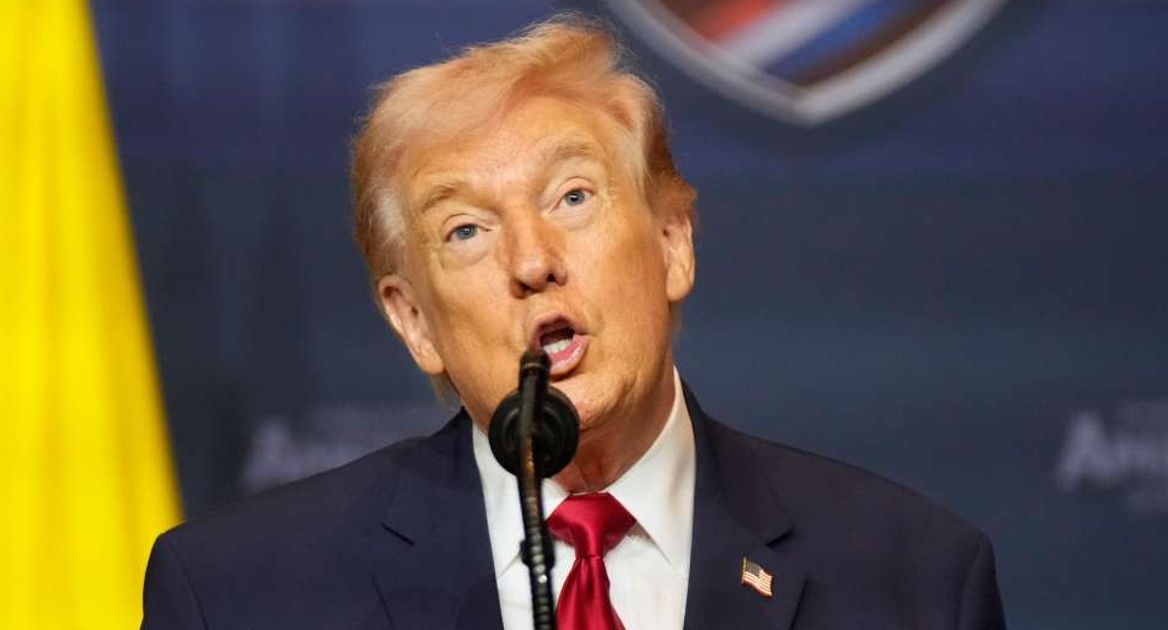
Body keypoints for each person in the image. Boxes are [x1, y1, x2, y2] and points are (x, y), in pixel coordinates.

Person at [141, 16, 1006, 630]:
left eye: (573, 196)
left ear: (672, 242)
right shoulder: (241, 597)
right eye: (466, 231)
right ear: (414, 322)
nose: (532, 261)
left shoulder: (913, 582)